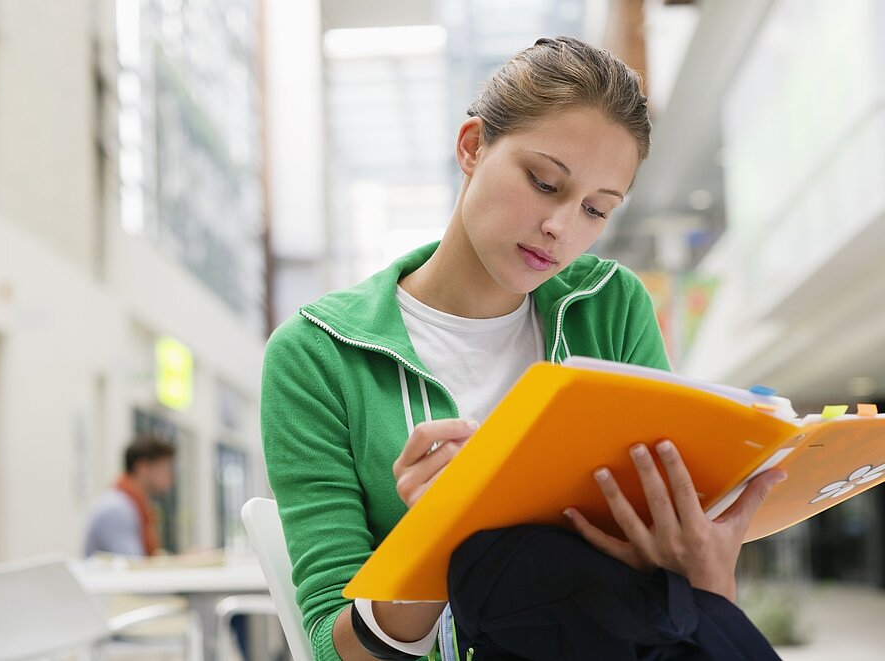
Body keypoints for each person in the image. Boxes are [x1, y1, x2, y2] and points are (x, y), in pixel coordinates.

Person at [261, 36, 785, 660]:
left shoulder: (611, 306)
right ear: (471, 147)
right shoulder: (318, 355)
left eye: (596, 210)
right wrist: (435, 535)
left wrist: (711, 575)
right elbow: (330, 645)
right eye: (543, 183)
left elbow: (675, 583)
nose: (561, 229)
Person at [84, 435, 175, 557]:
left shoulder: (137, 505)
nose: (170, 476)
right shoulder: (116, 509)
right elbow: (133, 567)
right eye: (165, 468)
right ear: (143, 468)